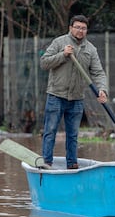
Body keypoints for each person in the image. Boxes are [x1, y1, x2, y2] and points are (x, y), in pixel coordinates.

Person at [40, 15, 108, 169]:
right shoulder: (59, 42)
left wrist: (102, 89)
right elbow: (44, 62)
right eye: (77, 27)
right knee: (50, 131)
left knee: (73, 135)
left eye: (83, 28)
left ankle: (72, 163)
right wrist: (63, 55)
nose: (80, 30)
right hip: (56, 95)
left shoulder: (90, 49)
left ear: (87, 31)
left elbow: (98, 72)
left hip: (77, 99)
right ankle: (46, 163)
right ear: (71, 28)